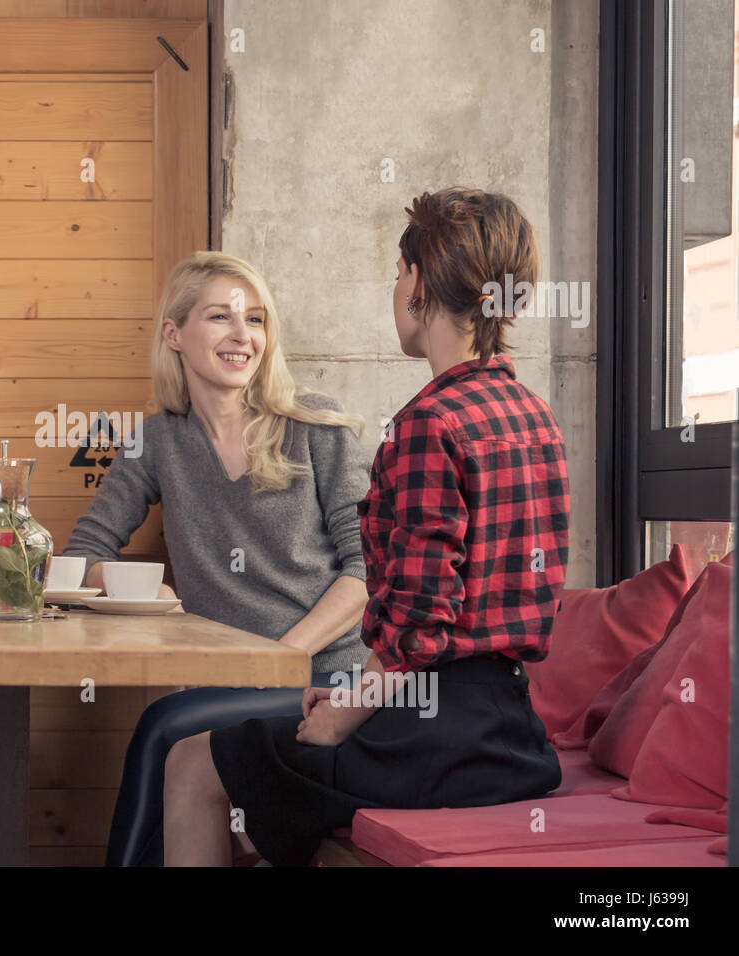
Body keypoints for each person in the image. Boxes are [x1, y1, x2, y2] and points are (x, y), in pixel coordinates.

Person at [162, 187, 570, 866]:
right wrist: (355, 695)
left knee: (191, 762)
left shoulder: (427, 424)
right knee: (250, 803)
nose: (395, 290)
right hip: (513, 735)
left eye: (398, 272)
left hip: (432, 744)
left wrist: (341, 717)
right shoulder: (536, 415)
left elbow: (417, 629)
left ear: (419, 284)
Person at [62, 251, 372, 866]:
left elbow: (369, 571)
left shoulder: (315, 425)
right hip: (225, 684)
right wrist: (149, 597)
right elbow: (82, 555)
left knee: (165, 723)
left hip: (329, 682)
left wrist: (277, 658)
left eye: (255, 319)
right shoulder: (156, 442)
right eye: (221, 317)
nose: (242, 335)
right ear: (174, 333)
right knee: (172, 732)